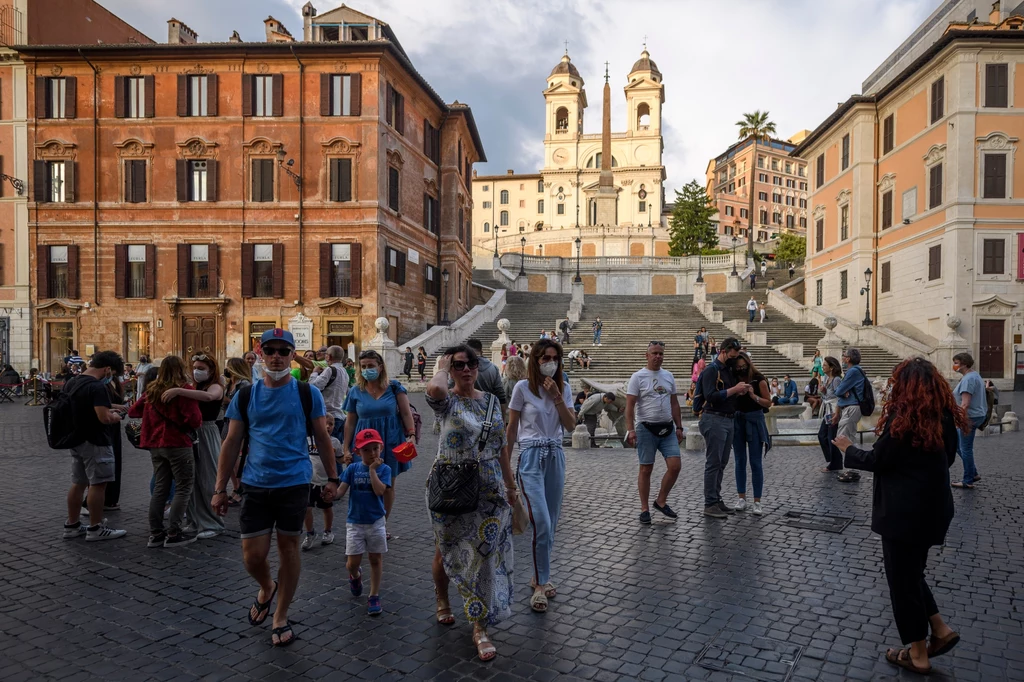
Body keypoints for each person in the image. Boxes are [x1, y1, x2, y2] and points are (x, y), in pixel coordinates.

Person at [832, 358, 963, 675]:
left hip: (903, 515)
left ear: (906, 387)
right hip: (935, 509)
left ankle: (918, 654)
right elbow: (946, 459)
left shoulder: (905, 419)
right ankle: (940, 629)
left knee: (902, 583)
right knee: (912, 575)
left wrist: (848, 448)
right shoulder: (943, 416)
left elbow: (878, 459)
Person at [213, 328, 337, 647]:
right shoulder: (245, 394)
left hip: (294, 482)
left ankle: (280, 615)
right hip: (255, 483)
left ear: (292, 355)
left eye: (284, 351)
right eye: (271, 350)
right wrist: (219, 487)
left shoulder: (307, 393)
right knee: (252, 556)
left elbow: (323, 438)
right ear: (261, 352)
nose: (277, 356)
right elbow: (231, 442)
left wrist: (333, 479)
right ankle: (267, 586)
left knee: (289, 549)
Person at [426, 345, 515, 662]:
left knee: (485, 559)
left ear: (479, 367)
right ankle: (442, 598)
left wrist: (511, 485)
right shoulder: (446, 401)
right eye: (459, 365)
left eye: (471, 364)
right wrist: (442, 365)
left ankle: (479, 627)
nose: (466, 370)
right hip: (451, 486)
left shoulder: (491, 401)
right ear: (451, 368)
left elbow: (502, 445)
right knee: (445, 551)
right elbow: (435, 387)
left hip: (488, 488)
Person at [506, 338, 575, 613]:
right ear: (534, 361)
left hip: (556, 457)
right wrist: (506, 471)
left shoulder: (565, 388)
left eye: (554, 357)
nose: (549, 362)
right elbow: (511, 429)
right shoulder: (522, 388)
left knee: (552, 522)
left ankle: (539, 575)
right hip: (531, 458)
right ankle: (539, 585)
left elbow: (570, 426)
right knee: (542, 521)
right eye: (544, 358)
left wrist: (558, 396)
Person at [129, 355, 203, 547]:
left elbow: (133, 411)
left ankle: (155, 533)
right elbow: (195, 420)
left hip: (155, 445)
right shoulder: (183, 391)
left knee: (161, 488)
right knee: (183, 486)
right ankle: (174, 532)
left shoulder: (151, 390)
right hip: (177, 443)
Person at [342, 349, 416, 534]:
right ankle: (361, 523)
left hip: (390, 440)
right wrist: (345, 447)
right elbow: (350, 422)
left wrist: (412, 435)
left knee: (388, 485)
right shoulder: (355, 391)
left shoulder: (394, 387)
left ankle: (381, 524)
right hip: (363, 444)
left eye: (371, 366)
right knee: (362, 483)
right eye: (364, 366)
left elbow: (406, 413)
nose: (367, 370)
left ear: (380, 367)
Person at [61, 351, 130, 542]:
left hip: (76, 439)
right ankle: (96, 527)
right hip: (96, 440)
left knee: (78, 483)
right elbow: (104, 417)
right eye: (112, 373)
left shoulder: (72, 382)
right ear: (107, 369)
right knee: (98, 484)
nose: (111, 377)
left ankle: (72, 524)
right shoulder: (96, 386)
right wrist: (116, 415)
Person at [159, 354, 226, 540]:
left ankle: (213, 522)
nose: (197, 371)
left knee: (207, 478)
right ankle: (195, 520)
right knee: (190, 480)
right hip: (191, 433)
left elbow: (209, 397)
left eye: (202, 368)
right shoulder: (192, 385)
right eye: (195, 367)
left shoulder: (216, 385)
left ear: (211, 370)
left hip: (207, 431)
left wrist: (179, 392)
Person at [333, 427, 392, 615]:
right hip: (355, 522)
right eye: (367, 450)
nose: (372, 453)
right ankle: (355, 575)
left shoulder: (384, 469)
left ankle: (374, 595)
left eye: (375, 448)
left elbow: (379, 491)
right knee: (352, 563)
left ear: (381, 448)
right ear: (358, 452)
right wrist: (331, 495)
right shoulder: (352, 469)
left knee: (375, 559)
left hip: (375, 521)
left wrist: (373, 471)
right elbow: (341, 491)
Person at [626, 341, 684, 525]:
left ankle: (661, 501)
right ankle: (644, 509)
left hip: (667, 428)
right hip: (646, 428)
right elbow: (629, 406)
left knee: (675, 466)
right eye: (654, 353)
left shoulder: (668, 376)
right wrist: (630, 430)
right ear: (647, 355)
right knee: (646, 469)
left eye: (661, 353)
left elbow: (674, 403)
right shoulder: (638, 377)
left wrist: (680, 426)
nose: (658, 356)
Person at [696, 337, 748, 519]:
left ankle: (716, 499)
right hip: (714, 418)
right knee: (713, 463)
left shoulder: (728, 370)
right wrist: (734, 390)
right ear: (724, 351)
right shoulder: (712, 370)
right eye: (733, 355)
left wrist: (739, 391)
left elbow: (726, 393)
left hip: (728, 419)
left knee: (722, 462)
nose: (735, 359)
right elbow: (710, 396)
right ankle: (709, 503)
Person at [731, 352, 772, 515]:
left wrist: (752, 396)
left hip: (754, 420)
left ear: (748, 364)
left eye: (743, 366)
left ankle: (757, 501)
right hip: (738, 420)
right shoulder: (733, 378)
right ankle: (741, 498)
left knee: (755, 462)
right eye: (738, 366)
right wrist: (736, 393)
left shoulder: (758, 378)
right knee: (740, 460)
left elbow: (768, 402)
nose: (740, 369)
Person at [302, 414, 344, 550]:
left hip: (326, 482)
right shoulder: (308, 440)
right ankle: (310, 533)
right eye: (325, 423)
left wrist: (348, 458)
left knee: (327, 507)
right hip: (309, 481)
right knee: (306, 508)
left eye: (331, 424)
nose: (328, 426)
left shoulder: (335, 442)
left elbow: (340, 459)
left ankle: (328, 531)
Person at [951, 352, 987, 489]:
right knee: (957, 446)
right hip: (976, 415)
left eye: (956, 363)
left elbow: (965, 404)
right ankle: (973, 473)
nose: (954, 366)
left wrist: (959, 420)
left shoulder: (968, 380)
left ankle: (968, 480)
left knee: (965, 448)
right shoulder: (974, 375)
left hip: (969, 417)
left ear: (964, 364)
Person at [832, 348, 868, 483]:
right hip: (852, 407)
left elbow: (838, 390)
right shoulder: (856, 370)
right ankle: (853, 469)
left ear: (848, 359)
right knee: (849, 437)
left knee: (843, 438)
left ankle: (853, 470)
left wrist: (842, 390)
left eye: (844, 356)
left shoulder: (853, 371)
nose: (842, 358)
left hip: (851, 407)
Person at [222, 357, 253, 505]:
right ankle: (236, 488)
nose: (226, 370)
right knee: (227, 457)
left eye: (228, 367)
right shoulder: (229, 384)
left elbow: (244, 404)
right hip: (227, 422)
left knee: (237, 458)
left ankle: (240, 489)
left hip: (239, 424)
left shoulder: (244, 384)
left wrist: (226, 400)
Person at [310, 345, 349, 440]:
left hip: (328, 416)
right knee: (336, 446)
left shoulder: (329, 370)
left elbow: (313, 386)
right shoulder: (345, 372)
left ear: (329, 356)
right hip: (340, 416)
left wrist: (314, 373)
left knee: (326, 446)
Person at [817, 356, 843, 473]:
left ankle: (835, 463)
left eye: (825, 365)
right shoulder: (826, 378)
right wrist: (823, 392)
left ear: (831, 368)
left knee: (831, 437)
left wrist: (837, 413)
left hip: (833, 410)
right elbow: (826, 397)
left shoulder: (836, 380)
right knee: (822, 435)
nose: (823, 367)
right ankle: (832, 460)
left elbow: (839, 396)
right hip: (828, 410)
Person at [464, 339, 507, 406]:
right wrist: (502, 415)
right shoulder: (494, 368)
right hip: (488, 407)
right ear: (481, 351)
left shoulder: (461, 367)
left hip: (466, 407)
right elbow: (500, 394)